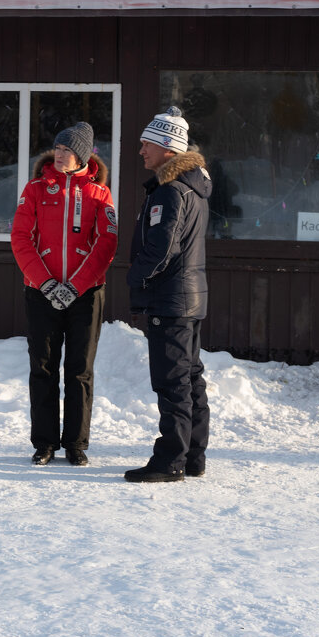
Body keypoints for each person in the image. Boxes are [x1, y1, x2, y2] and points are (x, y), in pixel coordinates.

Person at [11, 122, 118, 466]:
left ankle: (76, 444)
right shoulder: (36, 188)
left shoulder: (100, 192)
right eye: (57, 148)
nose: (59, 155)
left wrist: (76, 285)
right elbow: (21, 238)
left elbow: (107, 243)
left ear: (83, 156)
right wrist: (45, 283)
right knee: (42, 368)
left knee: (79, 369)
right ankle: (44, 443)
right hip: (41, 293)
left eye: (67, 150)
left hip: (85, 295)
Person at [124, 106, 212, 483]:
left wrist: (136, 278)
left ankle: (170, 460)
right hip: (189, 298)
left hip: (171, 300)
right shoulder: (193, 188)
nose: (141, 151)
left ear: (167, 149)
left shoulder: (170, 191)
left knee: (172, 380)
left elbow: (162, 249)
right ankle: (193, 456)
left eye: (147, 144)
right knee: (190, 377)